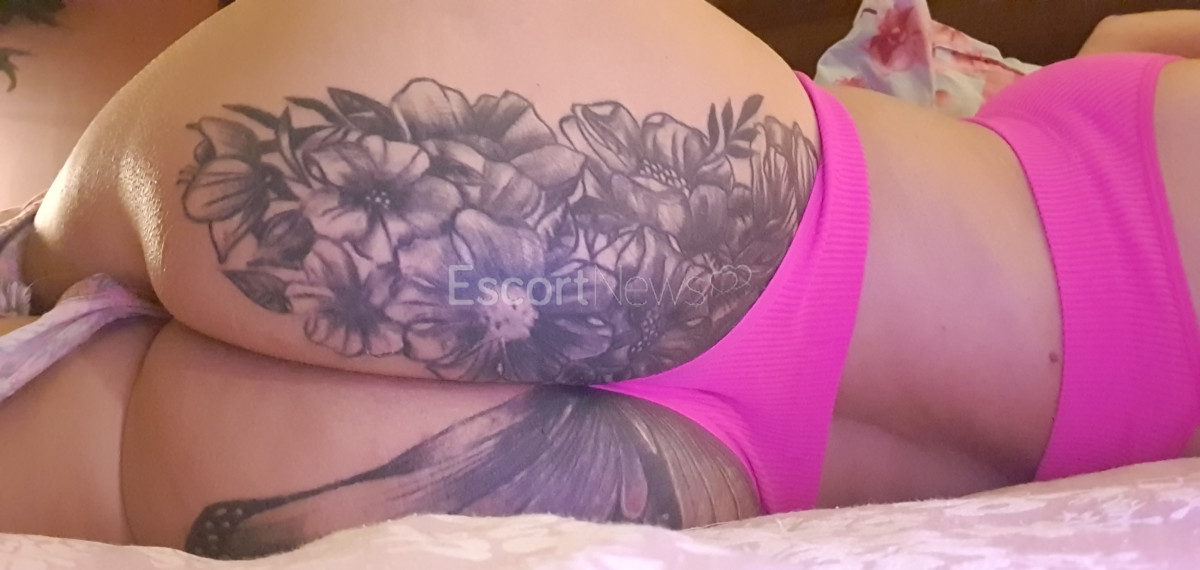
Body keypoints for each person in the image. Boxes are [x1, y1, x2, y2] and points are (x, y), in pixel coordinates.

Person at [1, 0, 1198, 561]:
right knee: (95, 429)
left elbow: (1121, 36)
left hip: (719, 165)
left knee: (48, 250)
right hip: (678, 489)